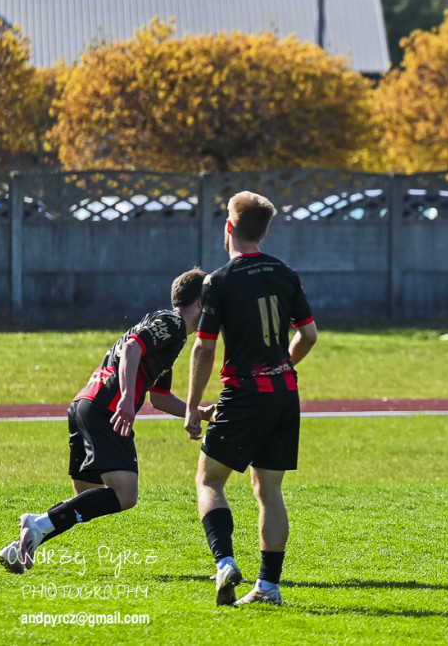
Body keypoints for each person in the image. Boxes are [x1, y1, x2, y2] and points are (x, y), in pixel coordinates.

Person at [0, 268, 213, 574]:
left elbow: (160, 398)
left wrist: (198, 411)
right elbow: (131, 348)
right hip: (106, 408)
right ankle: (35, 524)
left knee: (88, 496)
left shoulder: (168, 337)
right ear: (202, 302)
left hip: (85, 405)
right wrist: (126, 398)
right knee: (125, 494)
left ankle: (19, 547)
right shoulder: (173, 323)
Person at [185, 190, 317, 607]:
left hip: (244, 394)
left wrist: (191, 406)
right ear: (263, 231)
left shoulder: (218, 281)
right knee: (269, 489)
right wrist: (283, 365)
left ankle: (224, 562)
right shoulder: (285, 272)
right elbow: (309, 335)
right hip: (285, 394)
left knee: (209, 480)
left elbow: (204, 347)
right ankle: (268, 586)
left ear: (229, 227)